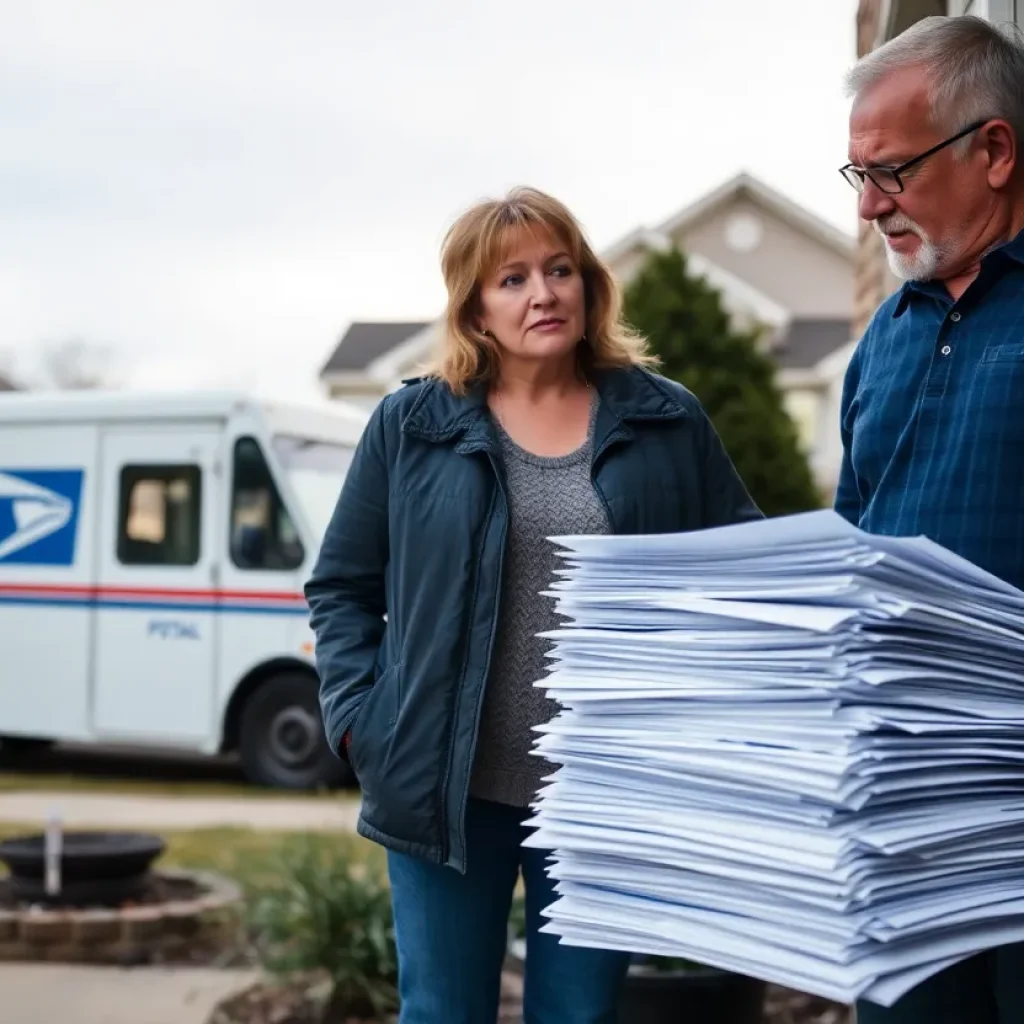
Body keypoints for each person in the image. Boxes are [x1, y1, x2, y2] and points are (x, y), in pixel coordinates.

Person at [305, 185, 761, 1023]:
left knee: (580, 1018)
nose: (542, 293)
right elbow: (342, 585)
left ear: (589, 284)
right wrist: (358, 721)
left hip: (601, 792)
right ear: (475, 308)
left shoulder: (667, 422)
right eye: (511, 279)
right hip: (445, 786)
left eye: (558, 270)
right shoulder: (411, 427)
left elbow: (744, 578)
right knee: (443, 1012)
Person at [836, 15, 1024, 1024]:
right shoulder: (884, 338)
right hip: (904, 820)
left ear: (993, 150)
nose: (870, 206)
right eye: (855, 175)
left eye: (893, 171)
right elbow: (848, 542)